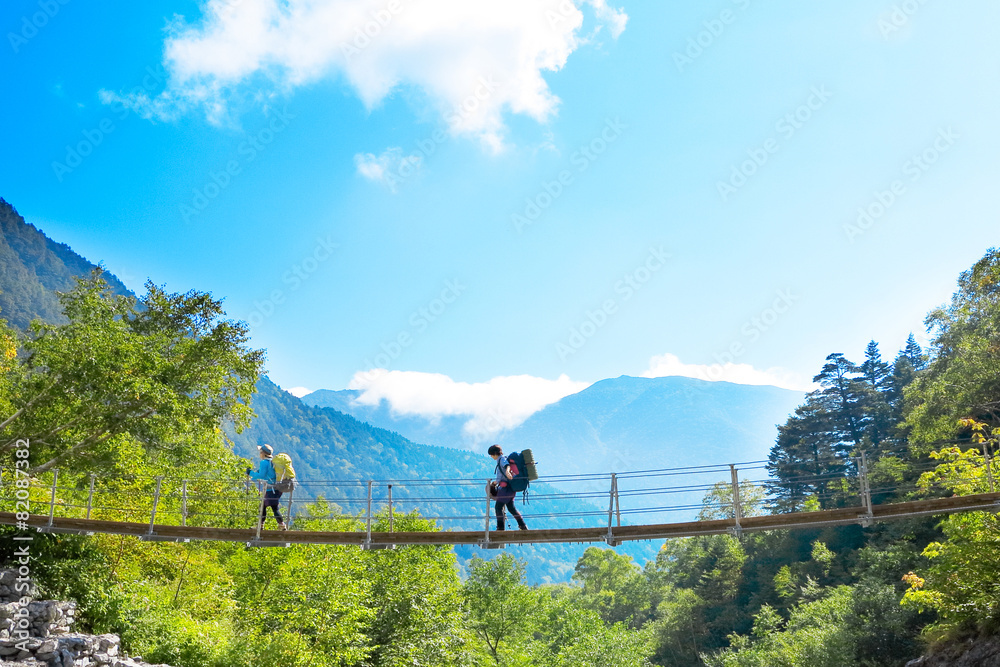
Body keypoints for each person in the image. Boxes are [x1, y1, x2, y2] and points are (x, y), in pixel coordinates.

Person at [246, 444, 286, 531]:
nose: (259, 453)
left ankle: (264, 526)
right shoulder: (272, 462)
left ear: (263, 453)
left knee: (269, 507)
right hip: (277, 488)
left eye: (260, 452)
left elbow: (261, 475)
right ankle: (279, 525)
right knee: (267, 506)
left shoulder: (264, 462)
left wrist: (250, 473)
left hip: (270, 489)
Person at [488, 444, 527, 531]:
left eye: (491, 454)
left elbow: (506, 466)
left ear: (494, 453)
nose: (491, 456)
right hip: (511, 489)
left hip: (505, 489)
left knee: (498, 507)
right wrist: (495, 482)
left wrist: (508, 472)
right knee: (511, 508)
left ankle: (500, 528)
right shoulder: (502, 459)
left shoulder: (501, 459)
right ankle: (522, 526)